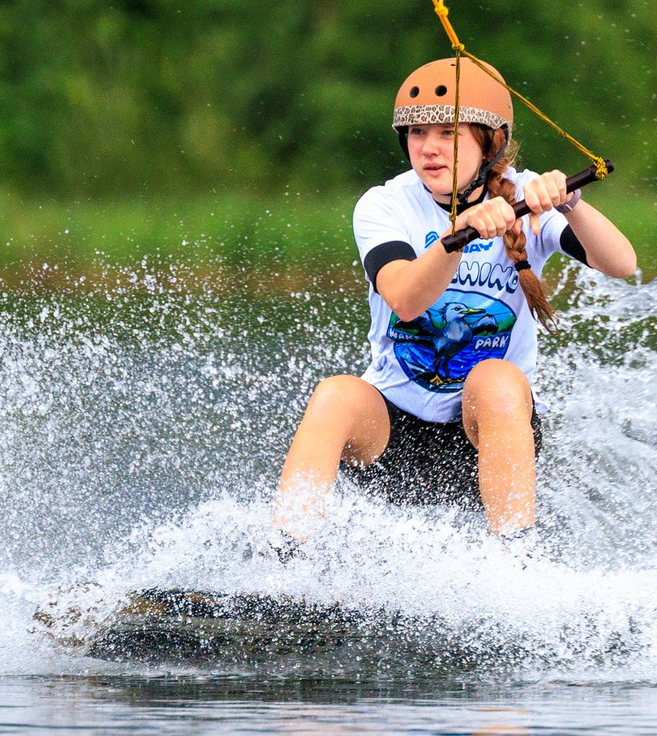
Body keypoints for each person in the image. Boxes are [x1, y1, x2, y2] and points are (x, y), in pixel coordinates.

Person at [273, 56, 637, 542]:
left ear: (491, 143)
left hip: (487, 433)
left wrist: (572, 205)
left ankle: (516, 559)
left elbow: (622, 263)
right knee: (334, 394)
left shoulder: (524, 194)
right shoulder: (384, 204)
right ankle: (283, 558)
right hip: (394, 440)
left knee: (496, 378)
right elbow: (405, 300)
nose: (429, 148)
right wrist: (458, 236)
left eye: (448, 134)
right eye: (417, 133)